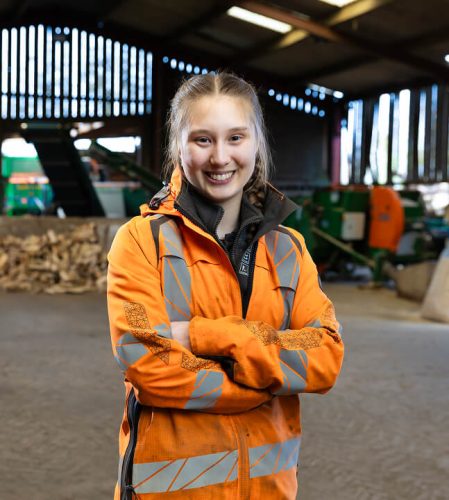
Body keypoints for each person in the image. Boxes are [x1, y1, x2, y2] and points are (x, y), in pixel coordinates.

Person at [107, 71, 344, 500]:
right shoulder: (142, 242)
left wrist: (202, 335)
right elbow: (148, 367)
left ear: (256, 143)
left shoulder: (289, 250)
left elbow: (325, 359)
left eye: (235, 138)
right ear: (178, 145)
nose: (220, 157)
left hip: (270, 491)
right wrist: (266, 380)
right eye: (203, 140)